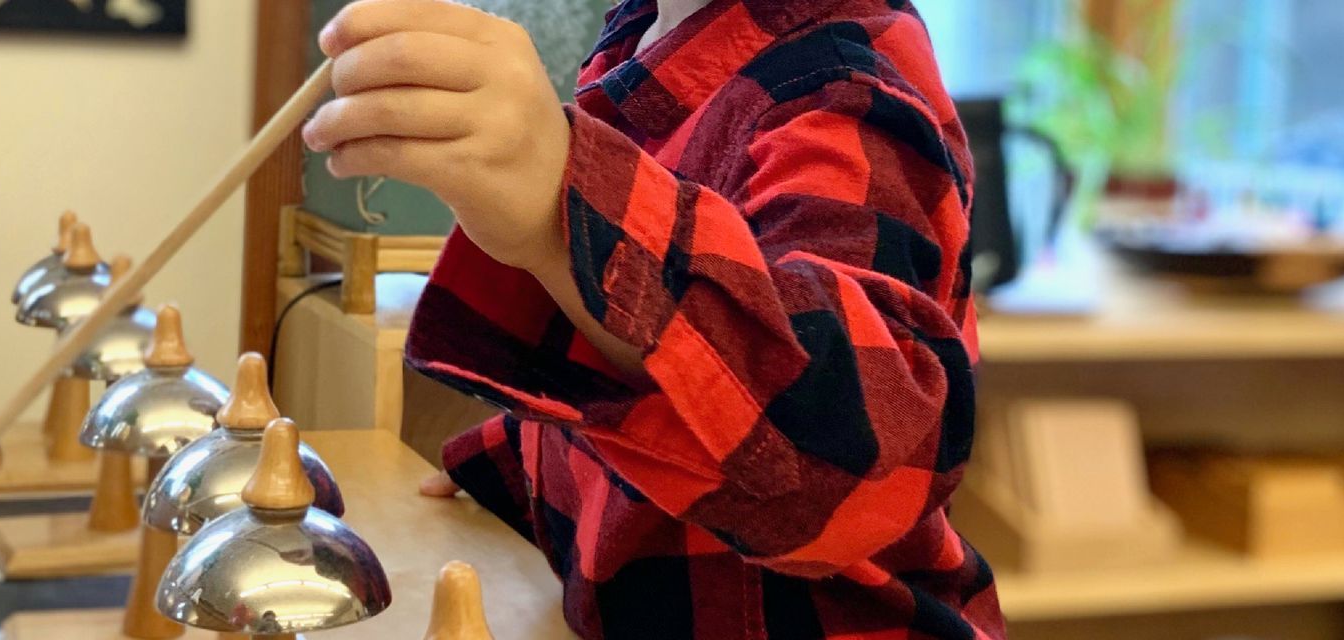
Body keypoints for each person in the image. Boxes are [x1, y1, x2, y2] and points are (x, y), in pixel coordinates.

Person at [304, 0, 1001, 638]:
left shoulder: (848, 85)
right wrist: (521, 463)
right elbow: (665, 370)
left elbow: (845, 461)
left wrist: (561, 207)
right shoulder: (645, 39)